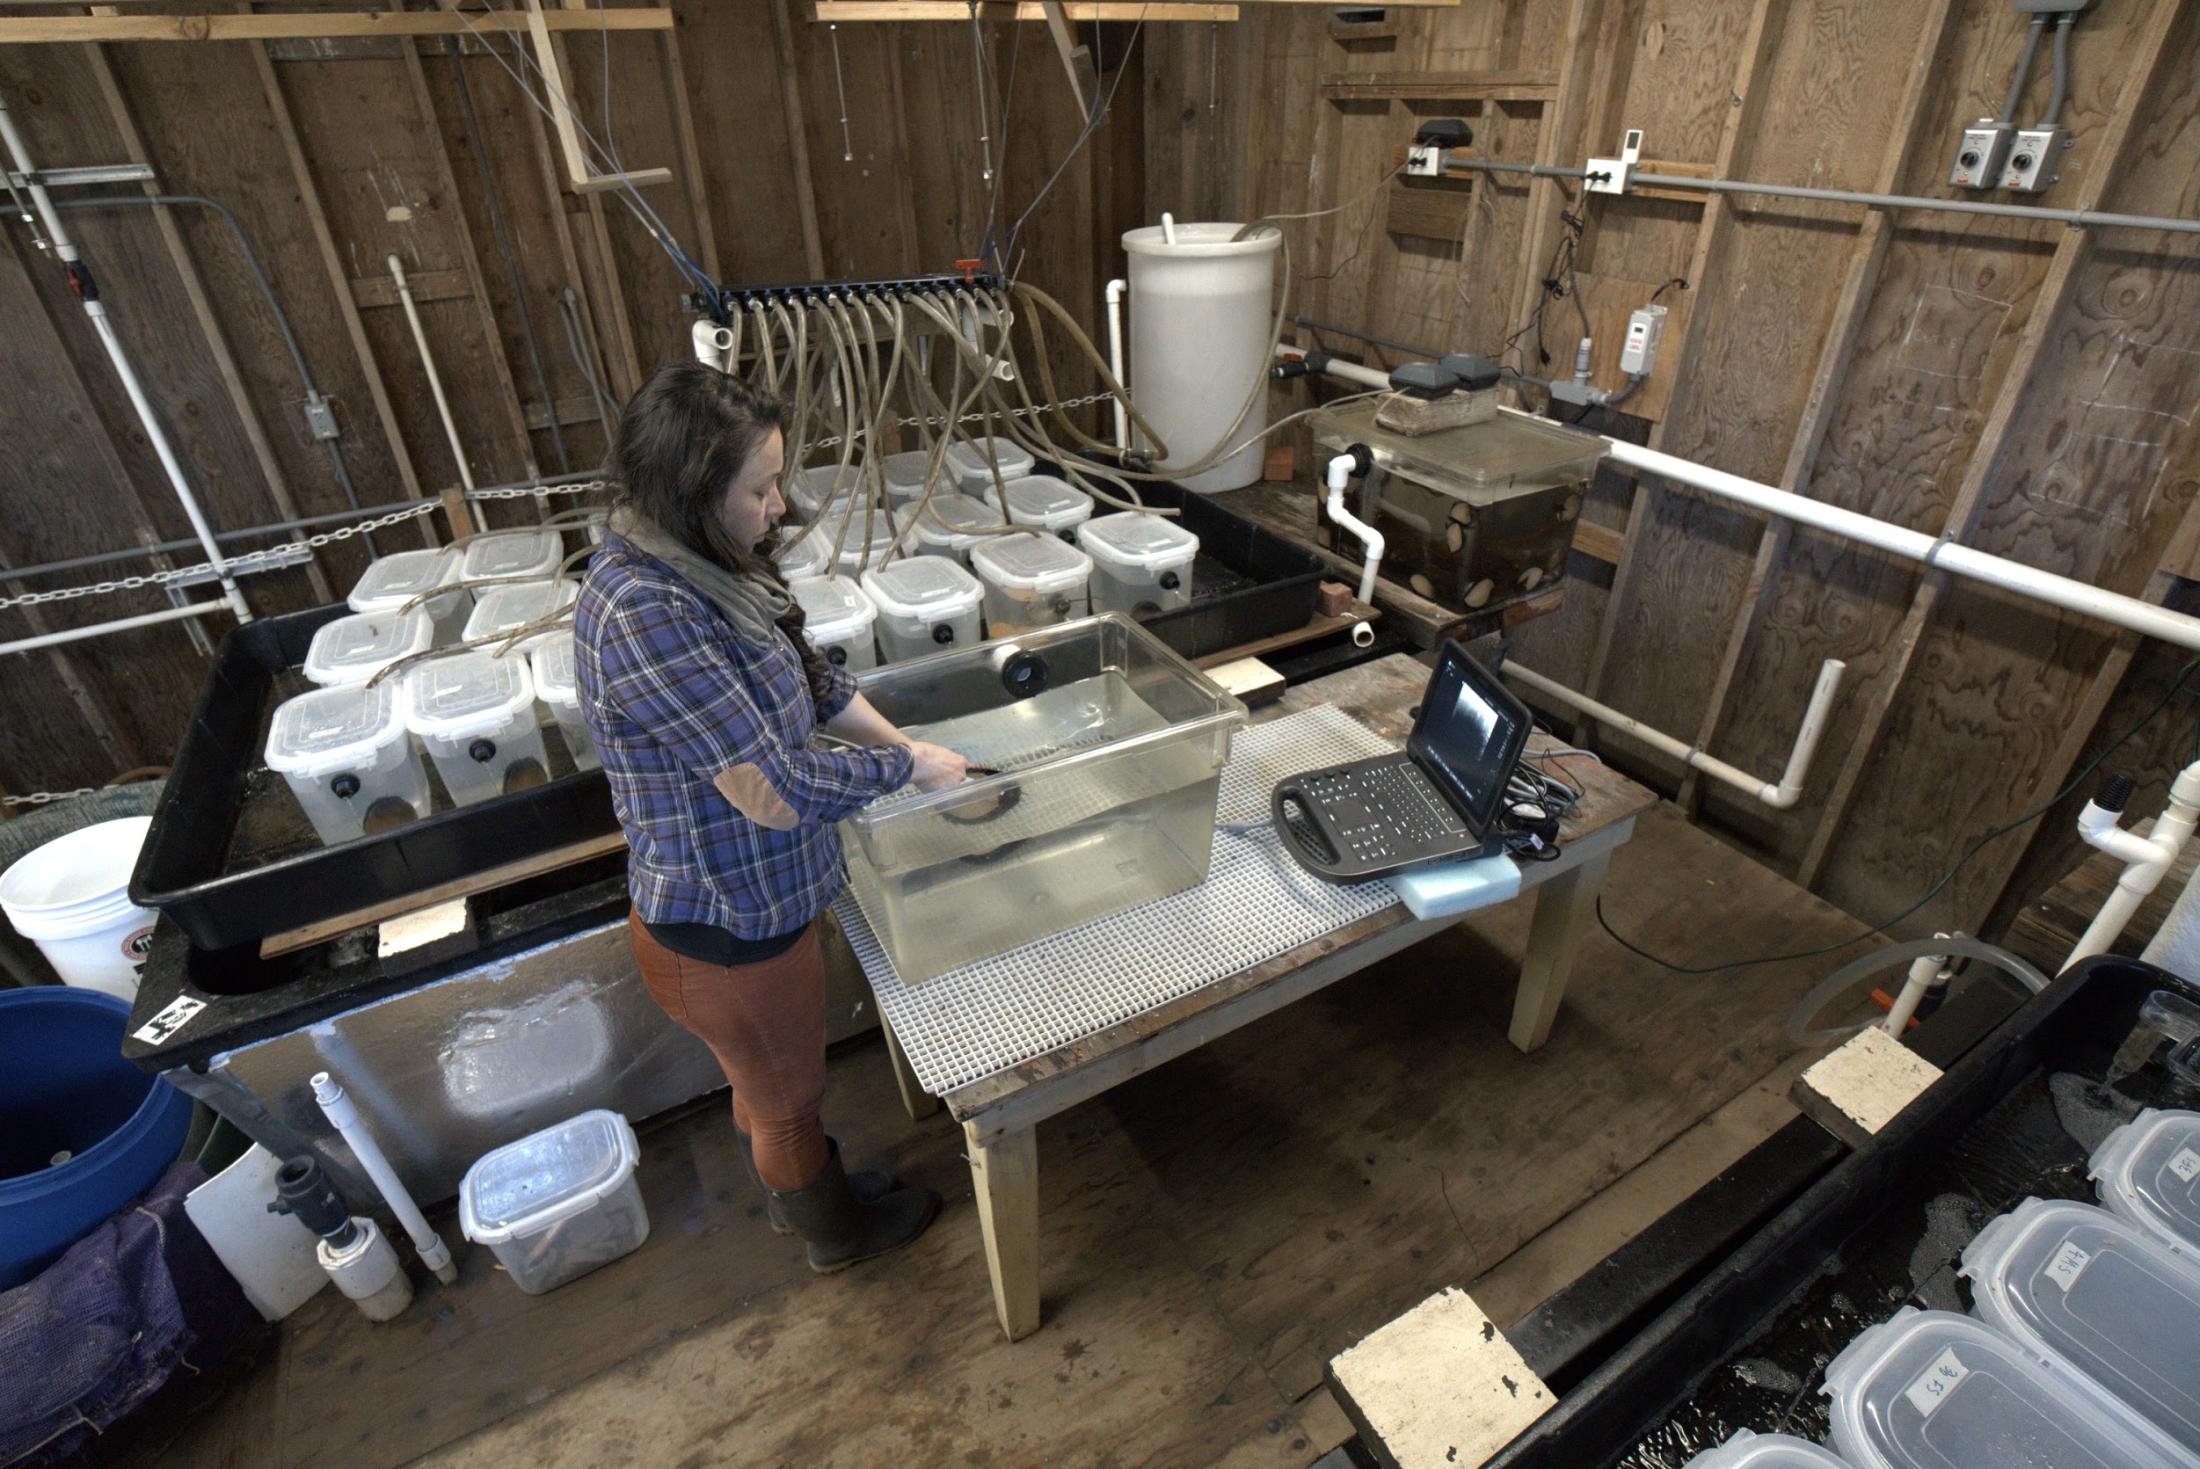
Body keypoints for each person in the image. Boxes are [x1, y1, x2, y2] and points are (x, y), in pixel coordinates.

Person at [574, 361, 968, 1272]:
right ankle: (837, 1235)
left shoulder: (711, 566)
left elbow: (812, 679)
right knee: (786, 1098)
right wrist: (905, 767)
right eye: (760, 487)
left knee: (767, 1086)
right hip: (722, 930)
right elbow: (772, 791)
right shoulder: (645, 611)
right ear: (691, 493)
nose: (780, 506)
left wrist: (912, 746)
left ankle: (806, 1197)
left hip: (759, 904)